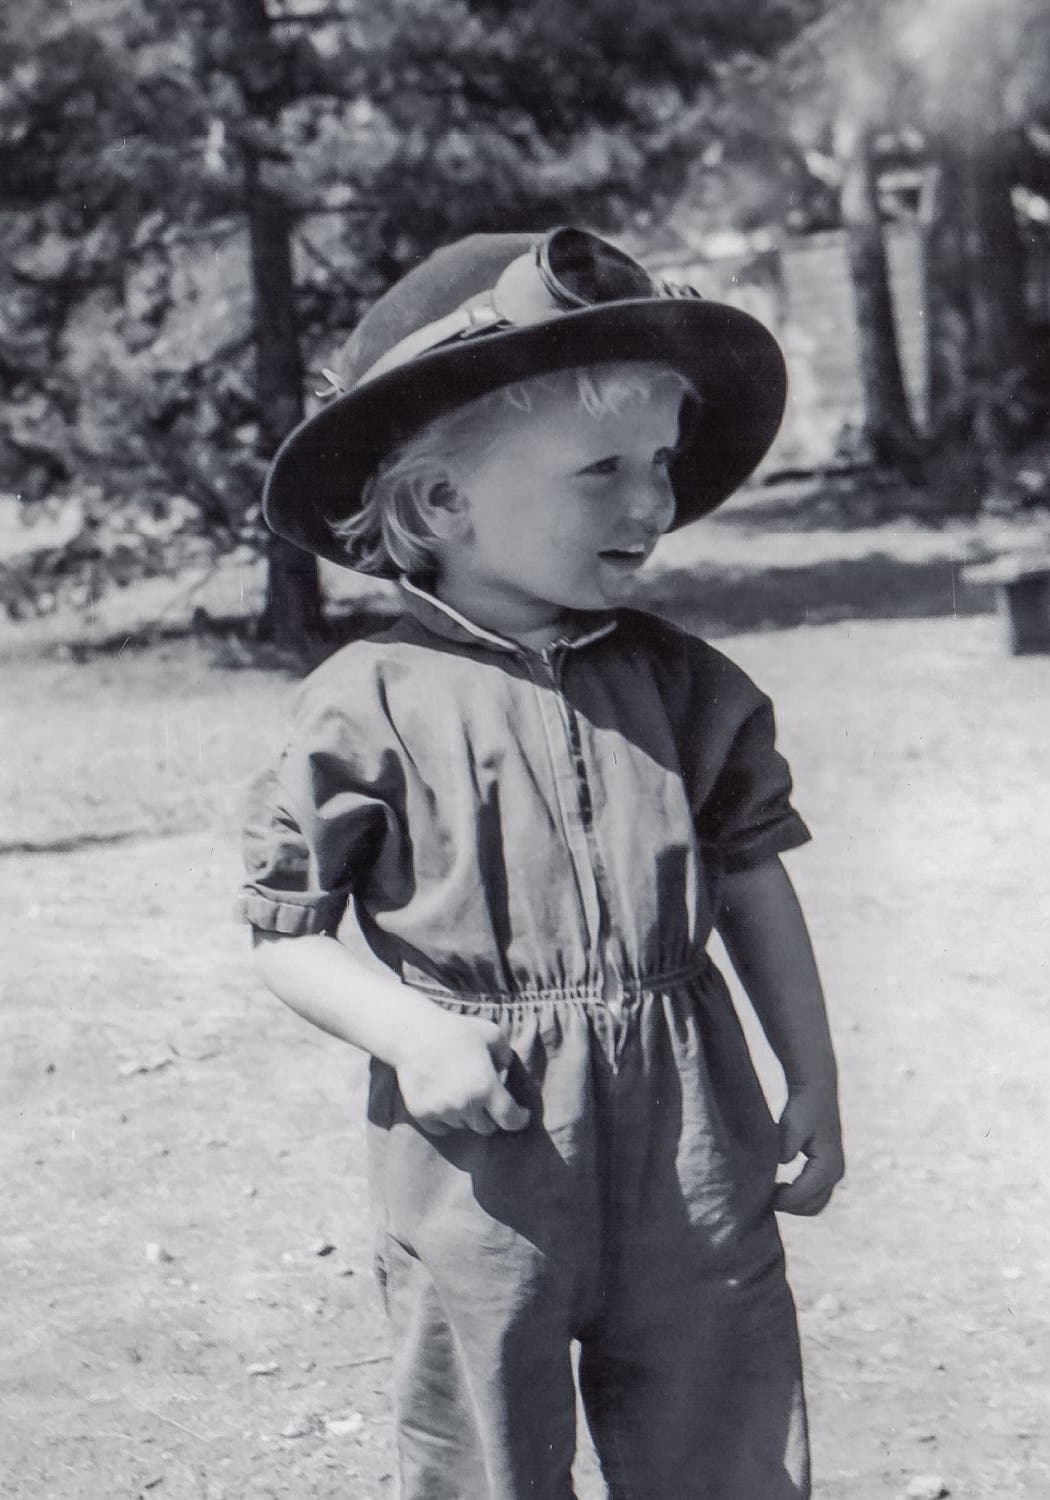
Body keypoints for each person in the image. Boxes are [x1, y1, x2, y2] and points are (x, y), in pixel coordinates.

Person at [235, 226, 844, 1500]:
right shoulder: (368, 704)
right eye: (601, 469)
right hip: (487, 1154)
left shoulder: (687, 686)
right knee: (488, 1454)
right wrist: (410, 1031)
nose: (651, 502)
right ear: (440, 504)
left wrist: (813, 1073)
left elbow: (752, 883)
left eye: (662, 463)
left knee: (722, 1435)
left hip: (692, 1136)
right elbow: (287, 936)